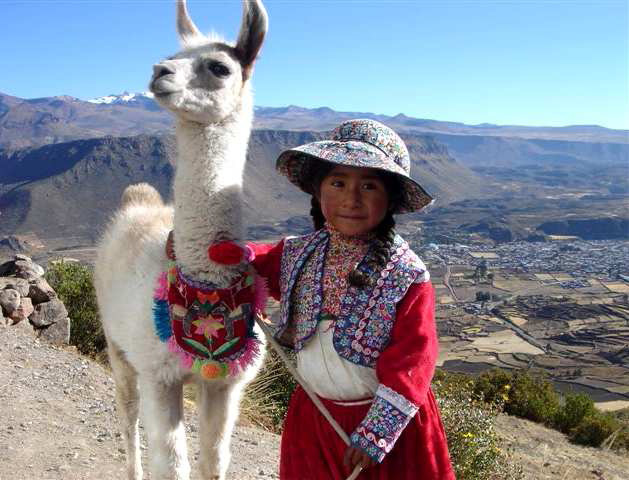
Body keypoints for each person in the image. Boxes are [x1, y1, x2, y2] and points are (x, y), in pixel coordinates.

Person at [249, 118, 455, 479]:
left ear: (389, 198)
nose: (351, 198)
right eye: (338, 182)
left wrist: (376, 435)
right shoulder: (298, 254)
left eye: (369, 186)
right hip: (314, 415)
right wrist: (205, 251)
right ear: (318, 190)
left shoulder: (406, 275)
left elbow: (414, 359)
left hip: (385, 433)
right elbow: (250, 262)